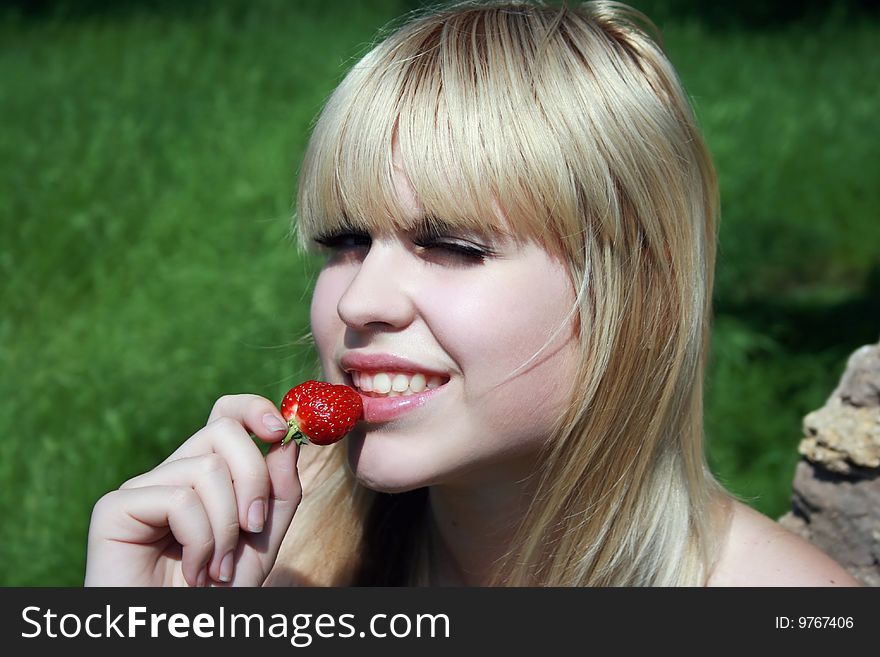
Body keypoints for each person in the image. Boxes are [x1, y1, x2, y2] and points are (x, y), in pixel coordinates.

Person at [84, 0, 860, 587]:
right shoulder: (257, 554)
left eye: (452, 246)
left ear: (644, 296)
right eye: (345, 242)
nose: (361, 302)